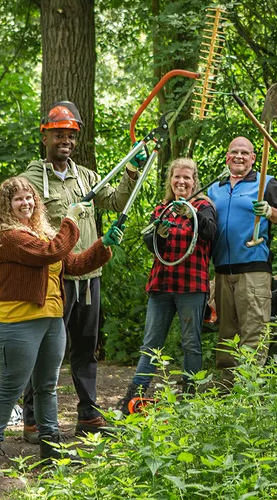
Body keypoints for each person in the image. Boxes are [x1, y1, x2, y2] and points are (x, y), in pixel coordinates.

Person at [0, 177, 123, 474]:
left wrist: (103, 245)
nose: (26, 203)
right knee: (11, 387)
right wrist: (70, 219)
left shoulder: (41, 233)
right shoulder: (7, 237)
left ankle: (51, 449)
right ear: (6, 205)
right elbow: (51, 252)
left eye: (29, 198)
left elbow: (74, 264)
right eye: (18, 199)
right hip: (18, 324)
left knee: (47, 387)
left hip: (52, 321)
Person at [20, 101, 146, 441]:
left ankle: (88, 413)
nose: (66, 141)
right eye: (58, 134)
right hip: (53, 280)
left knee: (86, 349)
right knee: (46, 349)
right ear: (45, 137)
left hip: (89, 277)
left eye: (71, 135)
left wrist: (131, 173)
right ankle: (32, 418)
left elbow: (118, 201)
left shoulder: (87, 176)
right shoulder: (30, 181)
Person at [120, 158, 217, 411]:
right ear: (170, 181)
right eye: (177, 177)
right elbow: (152, 247)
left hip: (192, 286)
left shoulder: (204, 206)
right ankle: (134, 396)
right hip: (161, 285)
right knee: (151, 344)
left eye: (187, 178)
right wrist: (157, 235)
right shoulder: (162, 208)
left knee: (191, 343)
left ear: (194, 180)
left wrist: (192, 214)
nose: (181, 182)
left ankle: (190, 399)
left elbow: (209, 232)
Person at [207, 136, 277, 376]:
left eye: (245, 153)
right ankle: (226, 389)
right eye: (234, 152)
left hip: (253, 270)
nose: (239, 156)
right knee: (226, 334)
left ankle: (248, 393)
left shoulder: (265, 183)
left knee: (254, 333)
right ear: (227, 157)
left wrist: (271, 211)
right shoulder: (214, 188)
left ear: (253, 158)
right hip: (222, 272)